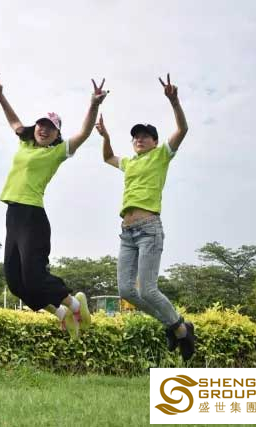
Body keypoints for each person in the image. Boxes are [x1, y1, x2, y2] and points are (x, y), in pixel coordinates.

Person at [0, 73, 108, 338]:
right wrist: (0, 96)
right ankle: (62, 314)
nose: (43, 130)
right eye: (41, 125)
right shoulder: (25, 143)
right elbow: (14, 121)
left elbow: (84, 133)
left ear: (56, 135)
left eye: (50, 128)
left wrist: (94, 103)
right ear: (35, 127)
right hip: (13, 215)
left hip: (33, 216)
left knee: (33, 276)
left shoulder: (56, 153)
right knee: (15, 283)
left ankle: (76, 305)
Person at [98, 73, 196, 360]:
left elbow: (183, 129)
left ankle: (179, 329)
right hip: (127, 233)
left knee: (148, 290)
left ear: (154, 141)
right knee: (127, 291)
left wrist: (174, 101)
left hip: (149, 228)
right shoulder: (129, 162)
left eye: (144, 136)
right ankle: (178, 327)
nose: (139, 139)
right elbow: (108, 158)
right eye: (135, 136)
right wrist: (106, 138)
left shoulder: (161, 155)